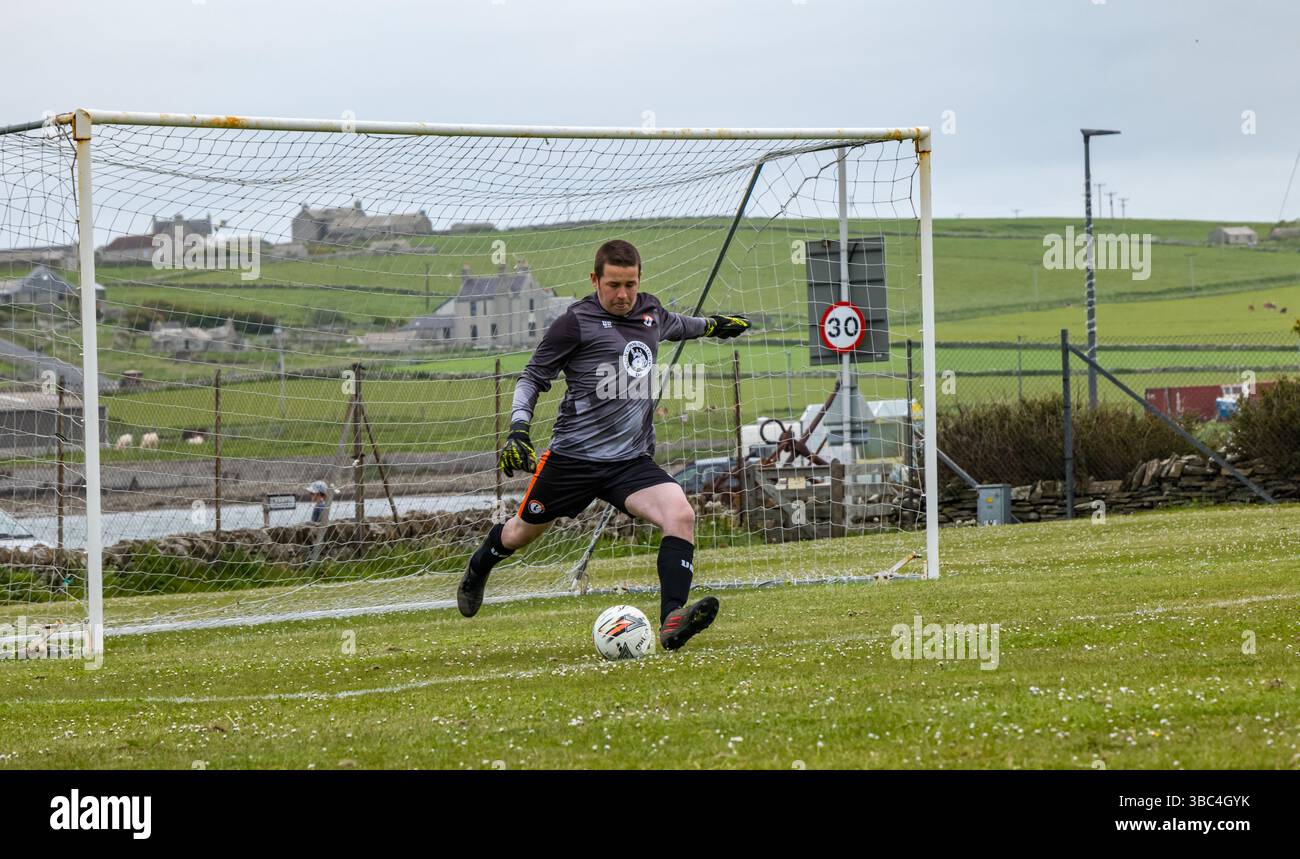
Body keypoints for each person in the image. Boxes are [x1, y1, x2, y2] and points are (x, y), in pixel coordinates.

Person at [457, 239, 751, 650]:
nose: (623, 295)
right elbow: (531, 378)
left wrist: (716, 326)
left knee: (680, 515)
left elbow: (681, 324)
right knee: (519, 534)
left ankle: (672, 621)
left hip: (629, 462)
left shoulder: (650, 313)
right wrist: (518, 431)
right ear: (595, 279)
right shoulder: (574, 322)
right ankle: (478, 567)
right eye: (613, 284)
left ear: (639, 279)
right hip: (573, 460)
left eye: (630, 284)